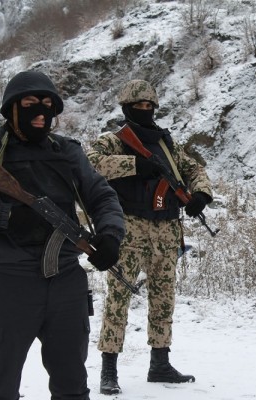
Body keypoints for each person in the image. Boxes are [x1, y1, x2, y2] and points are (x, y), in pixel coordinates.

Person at [0, 70, 125, 400]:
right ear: (10, 109)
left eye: (48, 105)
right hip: (12, 284)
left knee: (72, 385)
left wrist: (110, 235)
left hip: (66, 281)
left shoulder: (66, 152)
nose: (40, 111)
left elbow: (101, 194)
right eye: (29, 103)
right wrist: (6, 215)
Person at [87, 79, 213, 395]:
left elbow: (195, 169)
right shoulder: (113, 140)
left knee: (164, 298)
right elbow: (91, 164)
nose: (144, 110)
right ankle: (109, 369)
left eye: (148, 106)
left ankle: (160, 363)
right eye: (137, 106)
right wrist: (134, 165)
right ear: (126, 108)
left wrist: (201, 194)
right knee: (118, 299)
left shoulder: (167, 146)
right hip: (128, 229)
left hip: (167, 229)